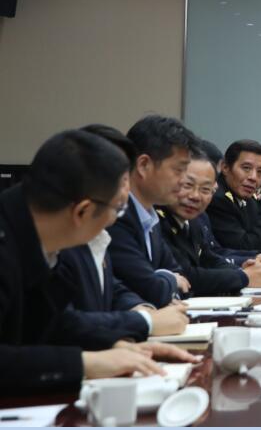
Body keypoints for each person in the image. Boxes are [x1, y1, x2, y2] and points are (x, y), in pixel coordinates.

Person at [0, 130, 185, 393]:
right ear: (83, 211)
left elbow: (52, 322)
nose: (115, 220)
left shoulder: (32, 231)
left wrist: (113, 345)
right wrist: (86, 363)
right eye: (118, 208)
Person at [54, 124, 189, 347]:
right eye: (122, 178)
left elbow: (112, 287)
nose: (127, 189)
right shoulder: (62, 236)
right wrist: (145, 321)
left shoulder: (96, 230)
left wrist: (140, 309)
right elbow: (62, 324)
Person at [107, 115, 195, 306]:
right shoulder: (116, 216)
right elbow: (149, 289)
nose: (184, 181)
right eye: (178, 170)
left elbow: (183, 280)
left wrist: (164, 279)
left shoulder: (150, 217)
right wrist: (169, 280)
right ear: (143, 165)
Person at [158, 151, 261, 295]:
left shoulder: (195, 220)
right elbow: (186, 275)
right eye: (187, 185)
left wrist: (243, 269)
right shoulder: (157, 220)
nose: (195, 196)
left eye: (205, 189)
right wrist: (243, 277)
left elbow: (209, 258)